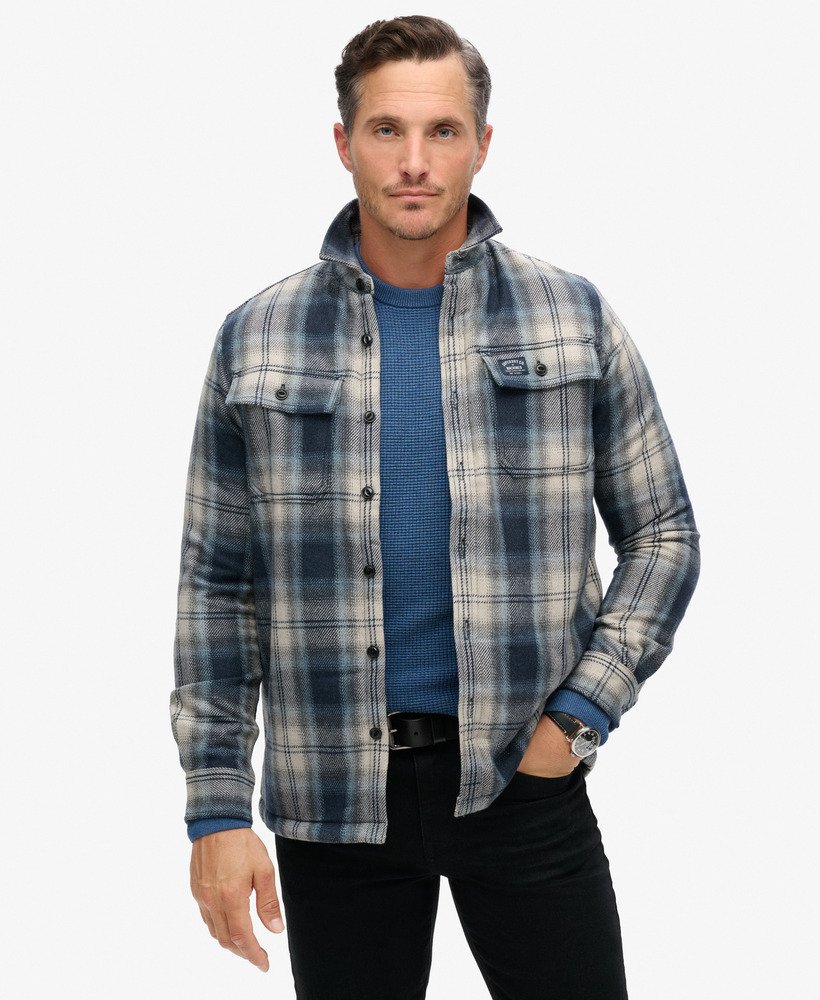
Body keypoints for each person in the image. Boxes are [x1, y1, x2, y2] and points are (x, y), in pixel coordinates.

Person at [169, 14, 701, 999]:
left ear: (481, 144)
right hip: (332, 799)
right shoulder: (257, 335)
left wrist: (580, 716)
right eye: (386, 130)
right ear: (344, 142)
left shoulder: (571, 316)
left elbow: (663, 533)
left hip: (523, 781)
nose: (414, 161)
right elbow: (216, 585)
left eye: (442, 131)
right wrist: (216, 808)